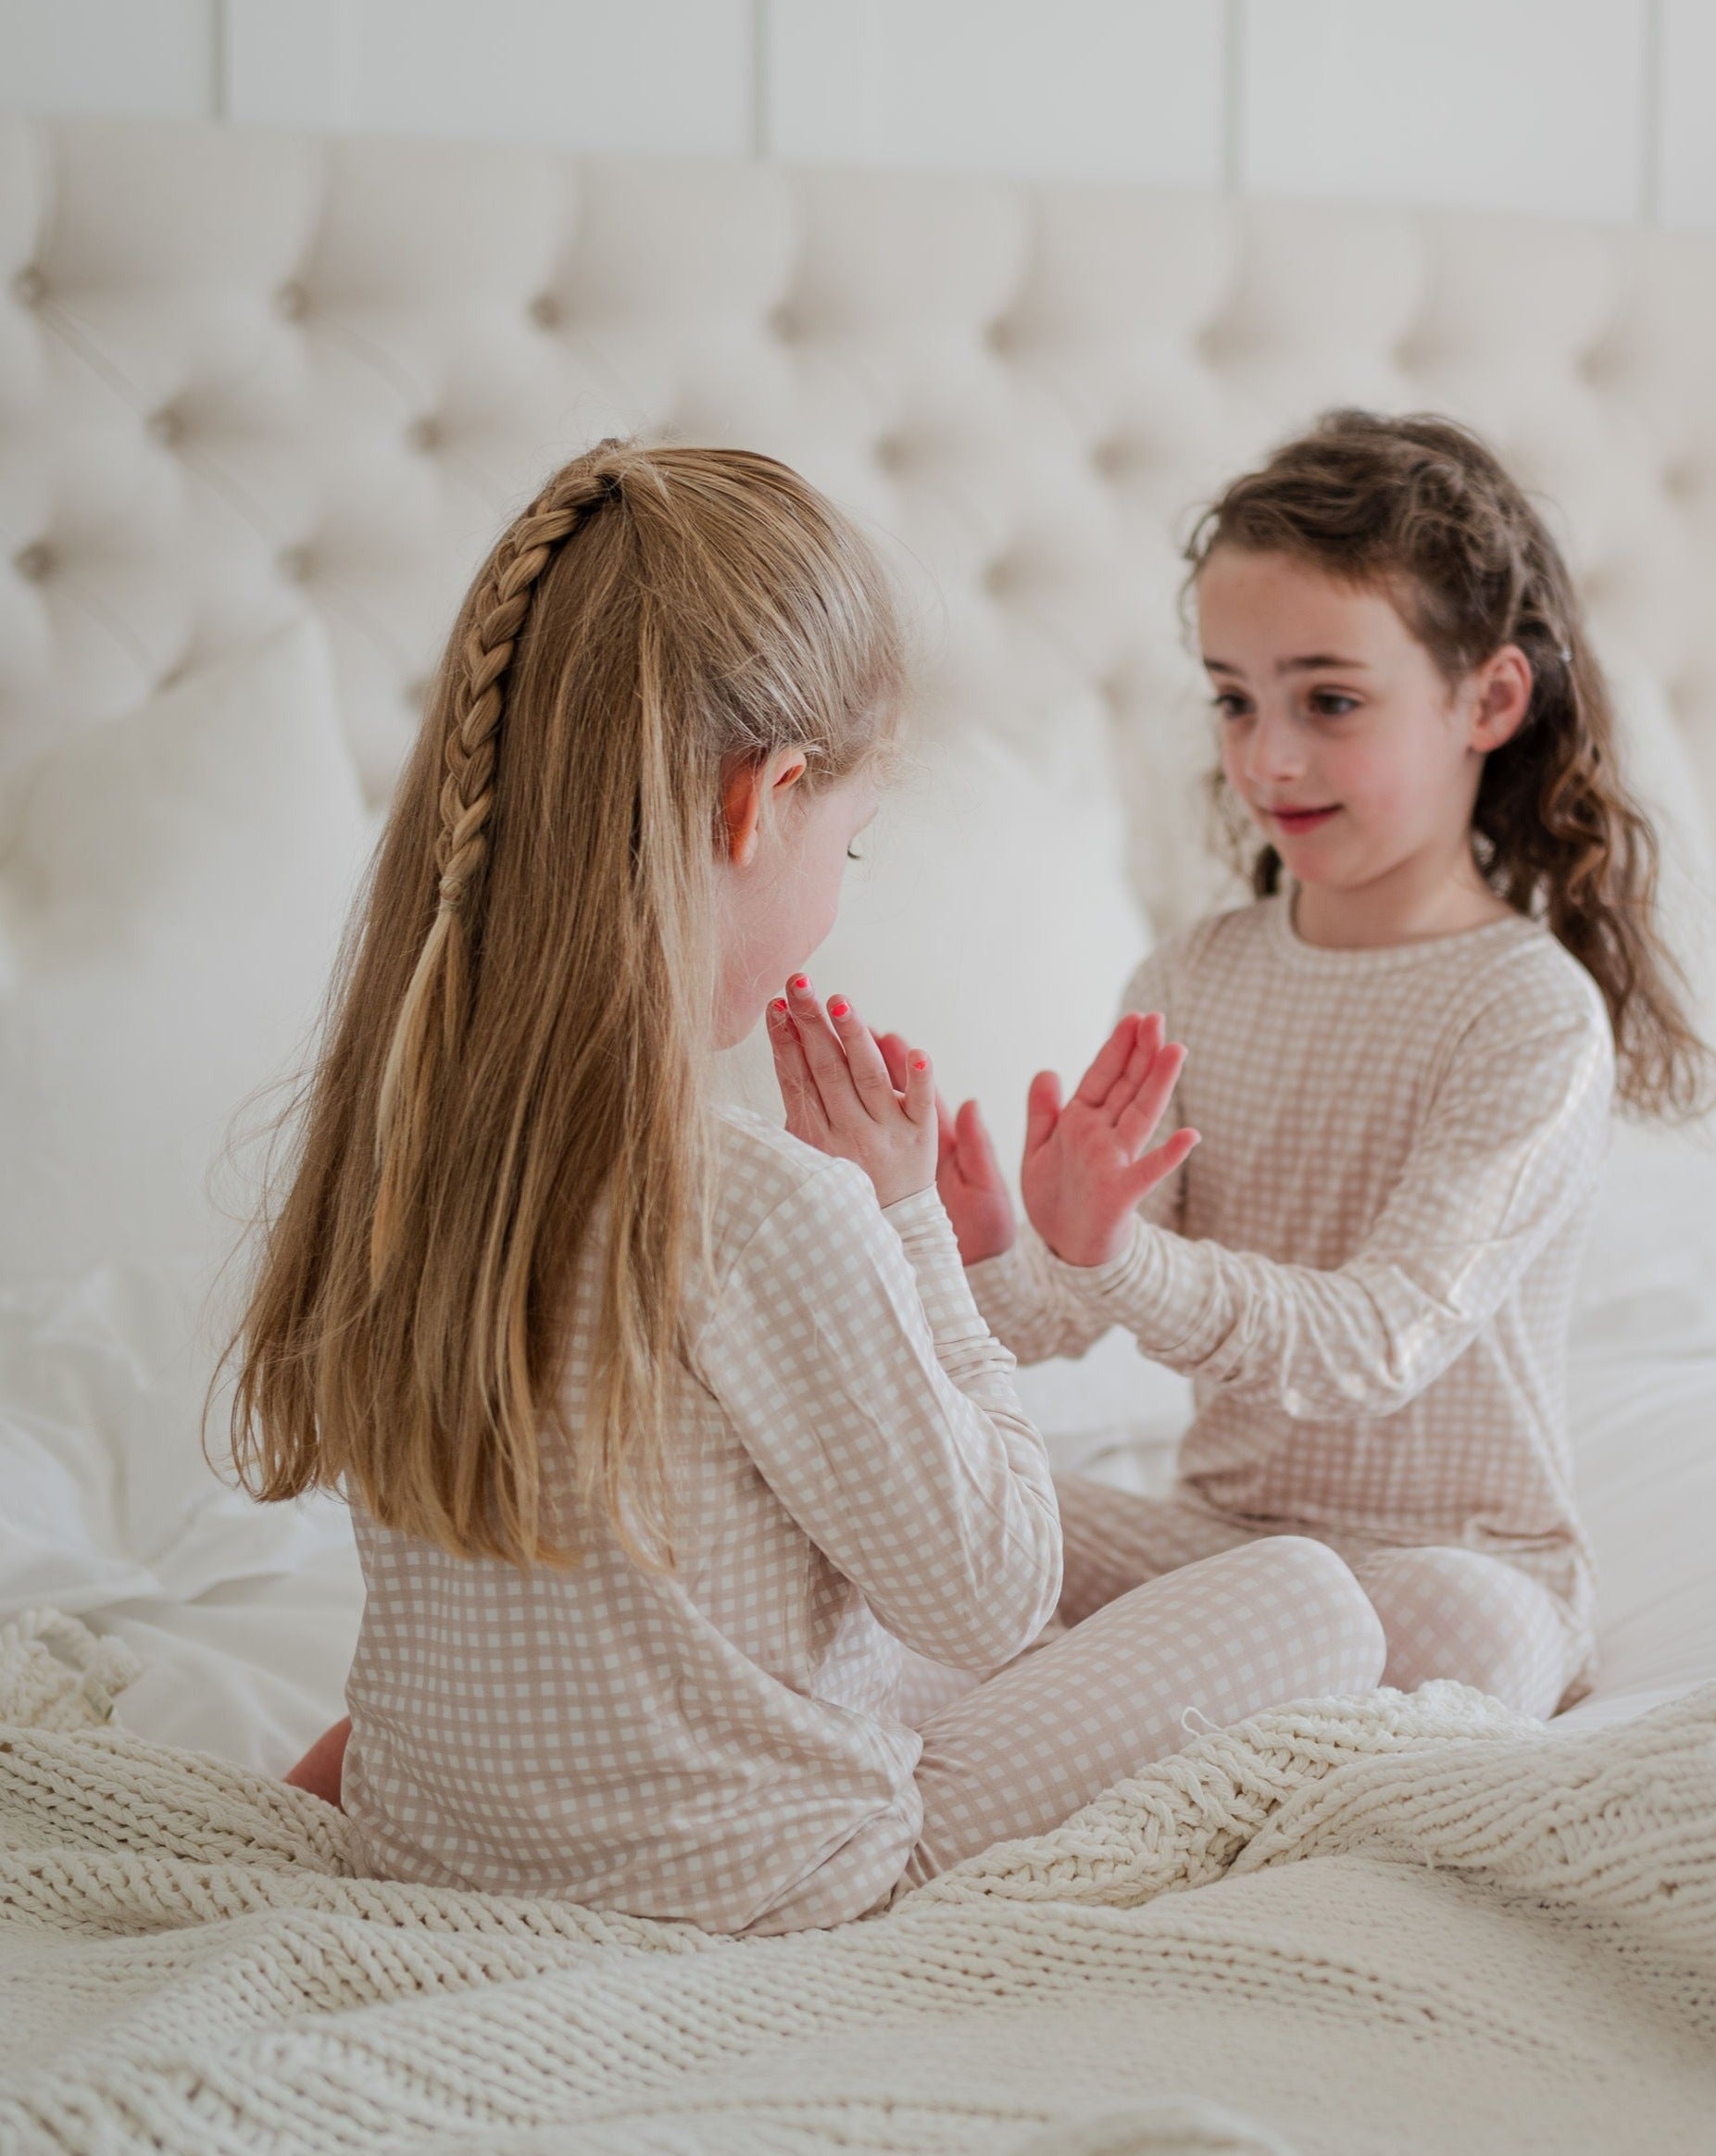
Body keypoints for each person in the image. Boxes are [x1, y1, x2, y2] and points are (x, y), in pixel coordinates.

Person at [237, 442, 1385, 1935]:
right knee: (1314, 1600)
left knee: (850, 1615)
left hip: (444, 1844)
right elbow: (996, 1591)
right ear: (760, 800)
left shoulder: (395, 1151)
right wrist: (910, 1229)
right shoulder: (764, 1205)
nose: (841, 893)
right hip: (777, 1888)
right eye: (852, 839)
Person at [938, 411, 1716, 1718]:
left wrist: (1117, 1257)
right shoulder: (1192, 980)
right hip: (1221, 1555)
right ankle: (1170, 1708)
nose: (1268, 758)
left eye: (1330, 701)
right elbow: (1064, 1315)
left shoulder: (1528, 1014)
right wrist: (982, 1254)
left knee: (1466, 1636)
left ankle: (1144, 1721)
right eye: (1234, 701)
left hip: (1447, 1575)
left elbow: (1381, 1341)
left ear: (1490, 699)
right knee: (937, 1493)